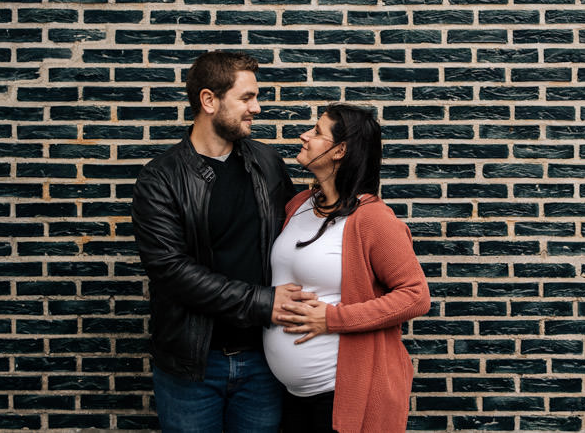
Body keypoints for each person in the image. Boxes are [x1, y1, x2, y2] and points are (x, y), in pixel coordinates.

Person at [130, 50, 309, 432]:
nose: (256, 108)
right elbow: (171, 271)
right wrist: (262, 301)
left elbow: (297, 234)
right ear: (208, 100)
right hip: (192, 366)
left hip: (264, 361)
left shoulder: (268, 165)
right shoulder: (161, 179)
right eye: (246, 98)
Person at [264, 103, 430, 433]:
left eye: (316, 131)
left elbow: (416, 297)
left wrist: (332, 318)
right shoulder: (299, 204)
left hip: (341, 394)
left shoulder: (372, 219)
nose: (304, 136)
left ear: (339, 150)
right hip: (292, 396)